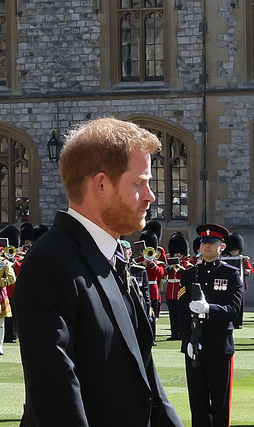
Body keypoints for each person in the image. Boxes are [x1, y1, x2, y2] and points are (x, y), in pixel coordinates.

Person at [13, 117, 182, 426]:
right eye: (138, 183)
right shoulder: (50, 261)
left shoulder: (110, 255)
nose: (150, 196)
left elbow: (145, 376)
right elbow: (57, 394)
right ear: (101, 184)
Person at [177, 224, 242, 427]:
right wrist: (187, 340)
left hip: (219, 347)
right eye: (204, 243)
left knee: (220, 406)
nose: (207, 247)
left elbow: (233, 310)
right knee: (197, 405)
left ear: (221, 247)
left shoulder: (231, 274)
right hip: (194, 346)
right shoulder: (189, 274)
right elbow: (181, 312)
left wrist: (208, 309)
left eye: (212, 243)